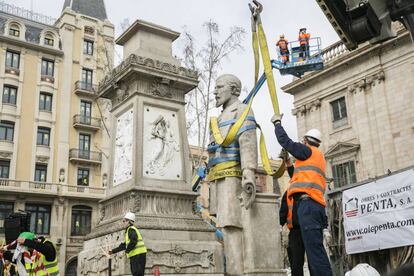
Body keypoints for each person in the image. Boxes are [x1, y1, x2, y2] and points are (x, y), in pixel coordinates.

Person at [271, 113, 333, 276]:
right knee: (314, 252)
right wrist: (289, 164)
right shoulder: (315, 157)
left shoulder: (307, 151)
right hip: (313, 207)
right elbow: (298, 178)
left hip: (308, 206)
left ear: (306, 141)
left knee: (315, 253)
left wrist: (277, 123)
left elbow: (286, 142)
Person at [208, 74, 257, 275]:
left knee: (231, 226)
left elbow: (247, 141)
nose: (215, 92)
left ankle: (237, 271)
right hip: (217, 179)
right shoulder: (220, 116)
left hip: (231, 177)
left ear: (234, 89)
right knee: (222, 227)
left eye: (220, 87)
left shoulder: (243, 110)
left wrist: (249, 172)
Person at [279, 150, 307, 276]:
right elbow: (283, 212)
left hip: (304, 229)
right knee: (298, 263)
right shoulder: (289, 193)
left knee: (304, 262)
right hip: (298, 231)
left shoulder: (302, 187)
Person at [109, 212, 147, 276]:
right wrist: (113, 251)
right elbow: (124, 245)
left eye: (124, 221)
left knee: (137, 274)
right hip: (138, 255)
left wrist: (127, 251)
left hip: (137, 255)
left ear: (129, 222)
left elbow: (133, 241)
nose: (123, 223)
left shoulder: (131, 230)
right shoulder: (129, 231)